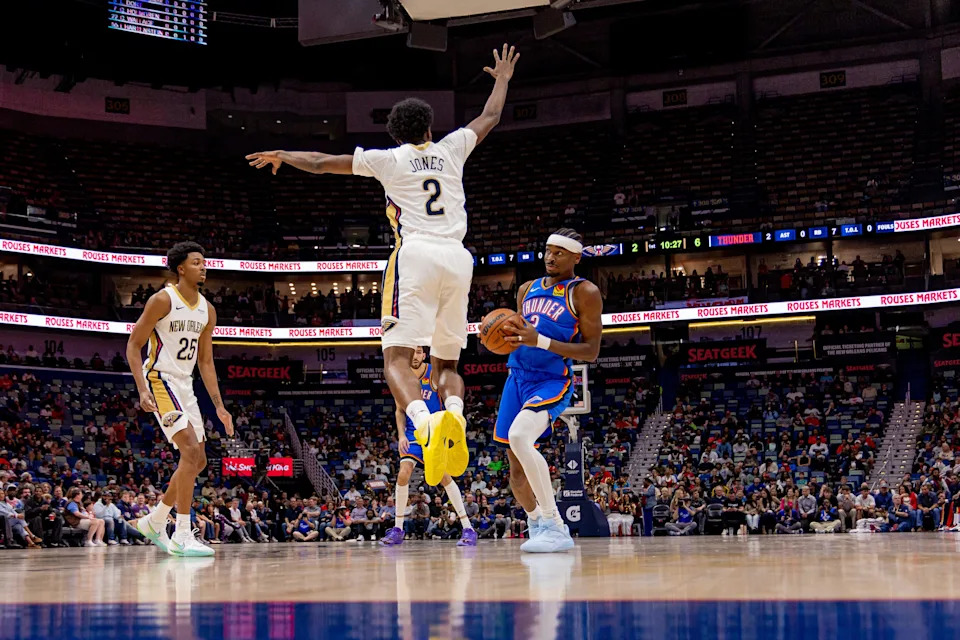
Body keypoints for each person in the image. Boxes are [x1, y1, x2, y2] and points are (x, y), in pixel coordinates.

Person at [247, 45, 521, 486]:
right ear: (430, 127)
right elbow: (489, 118)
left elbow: (320, 163)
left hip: (416, 254)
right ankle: (454, 414)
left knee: (394, 355)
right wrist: (502, 79)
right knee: (446, 364)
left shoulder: (390, 159)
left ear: (396, 135)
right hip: (459, 256)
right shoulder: (452, 148)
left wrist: (284, 154)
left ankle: (425, 423)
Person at [497, 228, 604, 553]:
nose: (550, 257)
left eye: (559, 252)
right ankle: (537, 524)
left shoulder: (584, 292)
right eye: (547, 250)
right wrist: (500, 337)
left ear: (576, 257)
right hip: (516, 377)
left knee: (519, 437)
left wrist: (540, 341)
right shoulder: (526, 289)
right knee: (515, 469)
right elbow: (517, 334)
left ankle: (556, 526)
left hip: (551, 380)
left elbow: (591, 351)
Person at [126, 241, 234, 557]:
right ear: (181, 268)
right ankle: (182, 533)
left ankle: (155, 521)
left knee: (198, 460)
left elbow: (206, 361)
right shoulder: (162, 300)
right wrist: (142, 388)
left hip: (185, 386)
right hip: (160, 379)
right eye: (197, 262)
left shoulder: (207, 310)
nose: (204, 266)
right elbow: (133, 346)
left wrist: (218, 405)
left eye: (205, 262)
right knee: (189, 451)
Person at [381, 347, 477, 547]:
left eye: (418, 352)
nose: (415, 356)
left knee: (444, 478)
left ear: (423, 355)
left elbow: (450, 390)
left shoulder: (433, 373)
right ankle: (398, 528)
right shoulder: (402, 375)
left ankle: (468, 528)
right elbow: (400, 410)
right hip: (413, 434)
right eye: (412, 352)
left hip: (436, 432)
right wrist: (400, 435)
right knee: (403, 473)